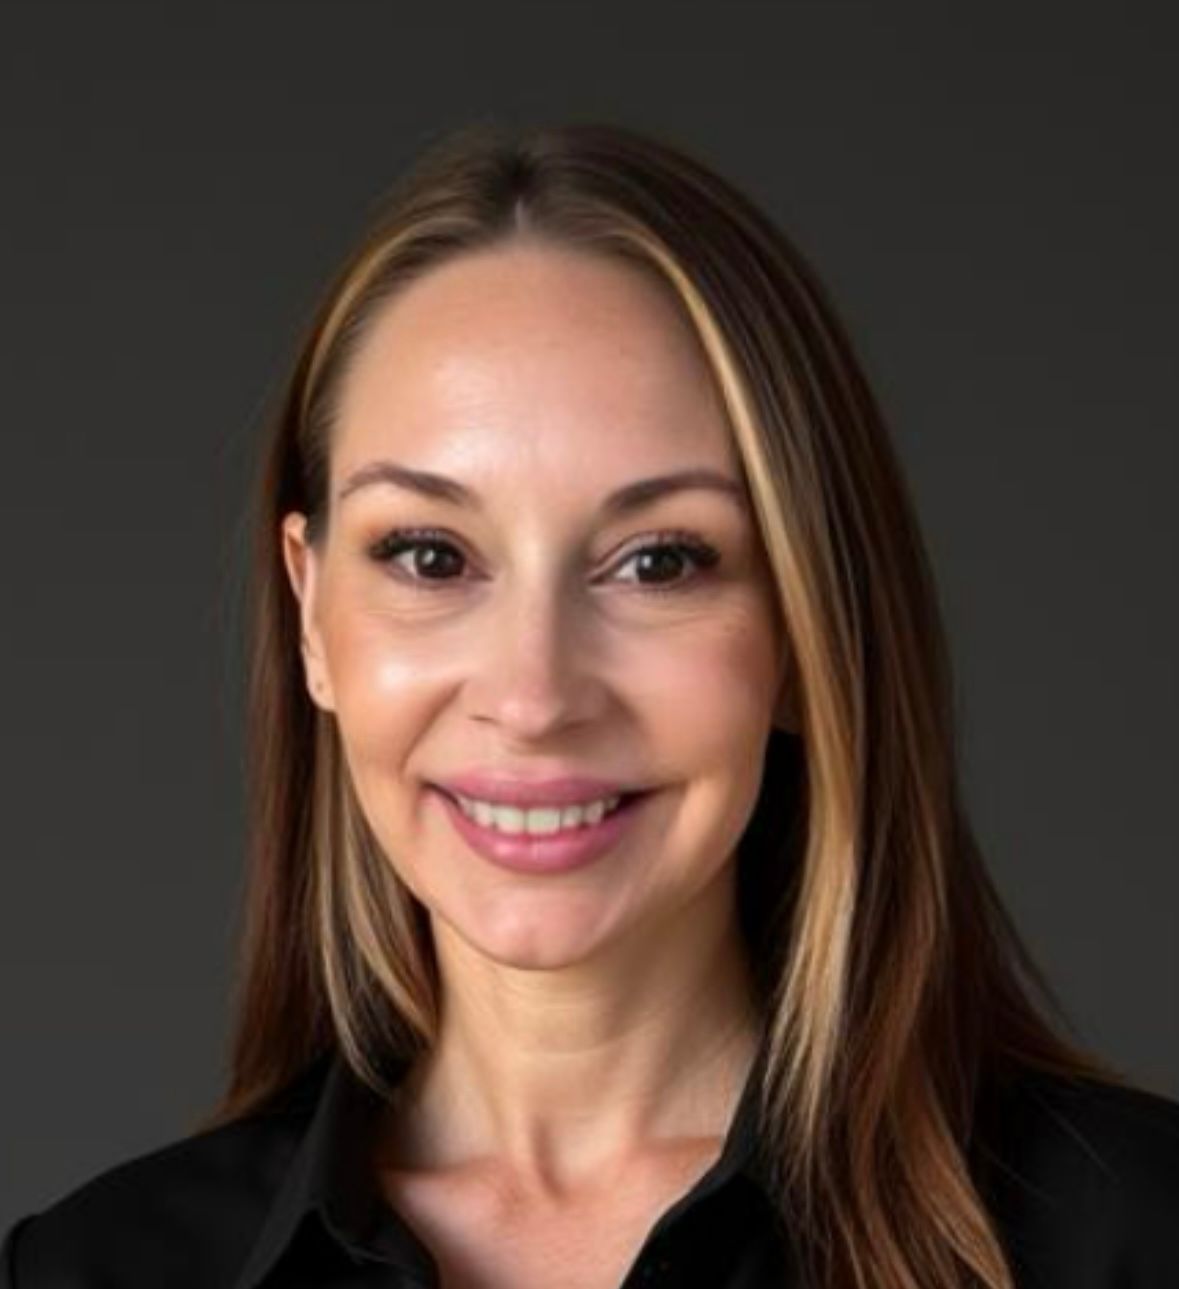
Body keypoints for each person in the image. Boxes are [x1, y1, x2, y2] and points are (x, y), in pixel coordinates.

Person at [3, 120, 1177, 1289]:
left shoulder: (1132, 1239)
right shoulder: (88, 1268)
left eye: (659, 561)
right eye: (427, 554)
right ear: (313, 615)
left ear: (814, 630)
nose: (532, 695)